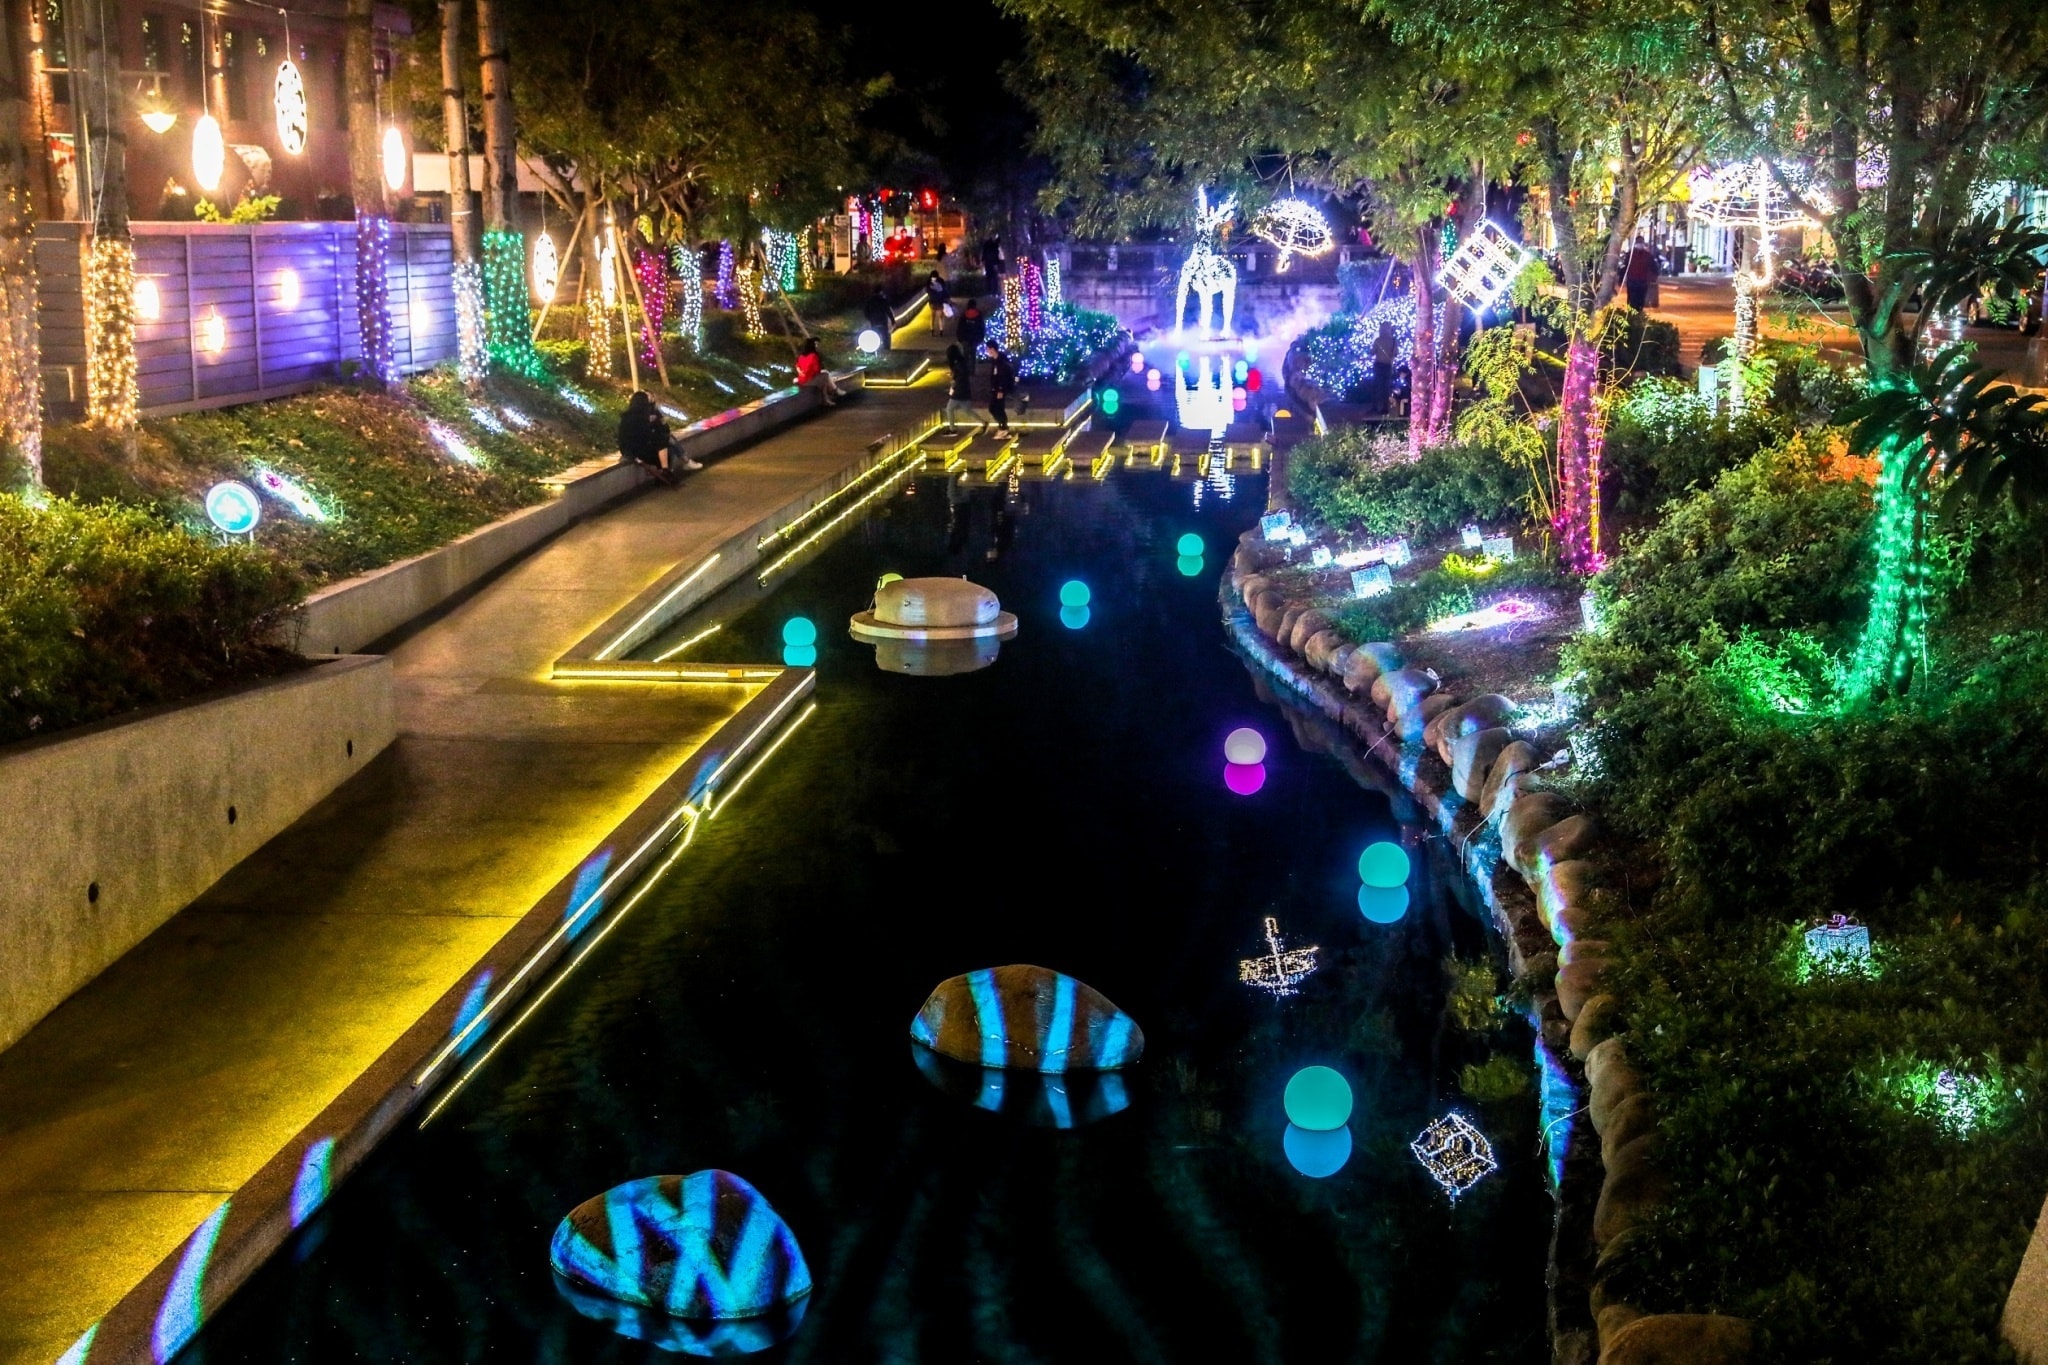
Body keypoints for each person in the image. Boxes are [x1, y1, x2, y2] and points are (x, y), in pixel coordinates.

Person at [616, 391, 701, 482]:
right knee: (664, 441)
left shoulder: (631, 416)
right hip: (634, 451)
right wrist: (652, 426)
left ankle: (667, 470)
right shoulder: (638, 418)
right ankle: (669, 468)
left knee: (666, 442)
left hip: (633, 448)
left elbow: (662, 427)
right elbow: (643, 435)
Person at [795, 337, 845, 405]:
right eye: (815, 344)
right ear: (812, 346)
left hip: (802, 380)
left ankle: (829, 396)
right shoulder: (813, 356)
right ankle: (833, 391)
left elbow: (797, 366)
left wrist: (802, 372)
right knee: (825, 376)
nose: (817, 346)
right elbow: (817, 370)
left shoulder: (801, 356)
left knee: (825, 374)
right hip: (809, 380)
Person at [984, 342, 1016, 437]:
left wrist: (1001, 390)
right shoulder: (995, 361)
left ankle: (1003, 427)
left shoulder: (1001, 361)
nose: (987, 351)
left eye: (988, 349)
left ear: (992, 349)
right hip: (996, 388)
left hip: (1000, 389)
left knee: (997, 408)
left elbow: (1003, 376)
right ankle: (1003, 426)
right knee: (994, 408)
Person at [942, 343, 976, 430]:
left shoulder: (958, 364)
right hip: (963, 390)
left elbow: (959, 377)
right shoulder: (961, 362)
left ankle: (952, 429)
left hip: (959, 390)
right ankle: (983, 423)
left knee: (949, 408)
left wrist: (953, 386)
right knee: (966, 410)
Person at [1625, 236, 1659, 311]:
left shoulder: (1648, 256)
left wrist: (1654, 277)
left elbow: (1654, 267)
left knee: (1640, 301)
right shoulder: (1630, 255)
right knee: (1632, 300)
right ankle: (1632, 314)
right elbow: (1625, 267)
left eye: (1641, 242)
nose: (1640, 244)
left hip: (1642, 282)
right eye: (1639, 242)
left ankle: (1637, 314)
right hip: (1632, 282)